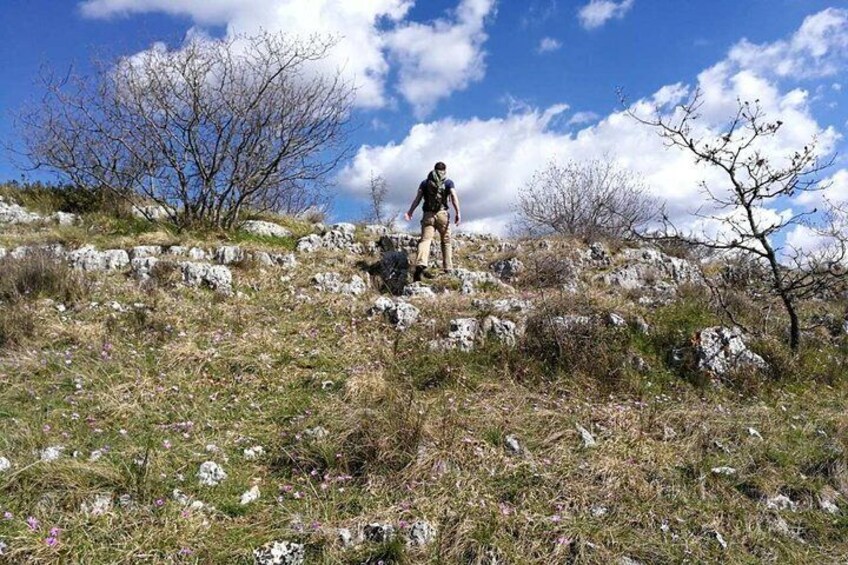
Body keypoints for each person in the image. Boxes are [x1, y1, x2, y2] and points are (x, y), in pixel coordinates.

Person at [404, 161, 461, 282]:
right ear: (445, 170)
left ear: (434, 169)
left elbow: (417, 199)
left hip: (428, 215)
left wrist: (410, 212)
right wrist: (458, 213)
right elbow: (454, 197)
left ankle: (421, 263)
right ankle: (448, 268)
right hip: (442, 215)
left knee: (425, 240)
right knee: (446, 241)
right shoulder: (448, 182)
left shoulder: (425, 182)